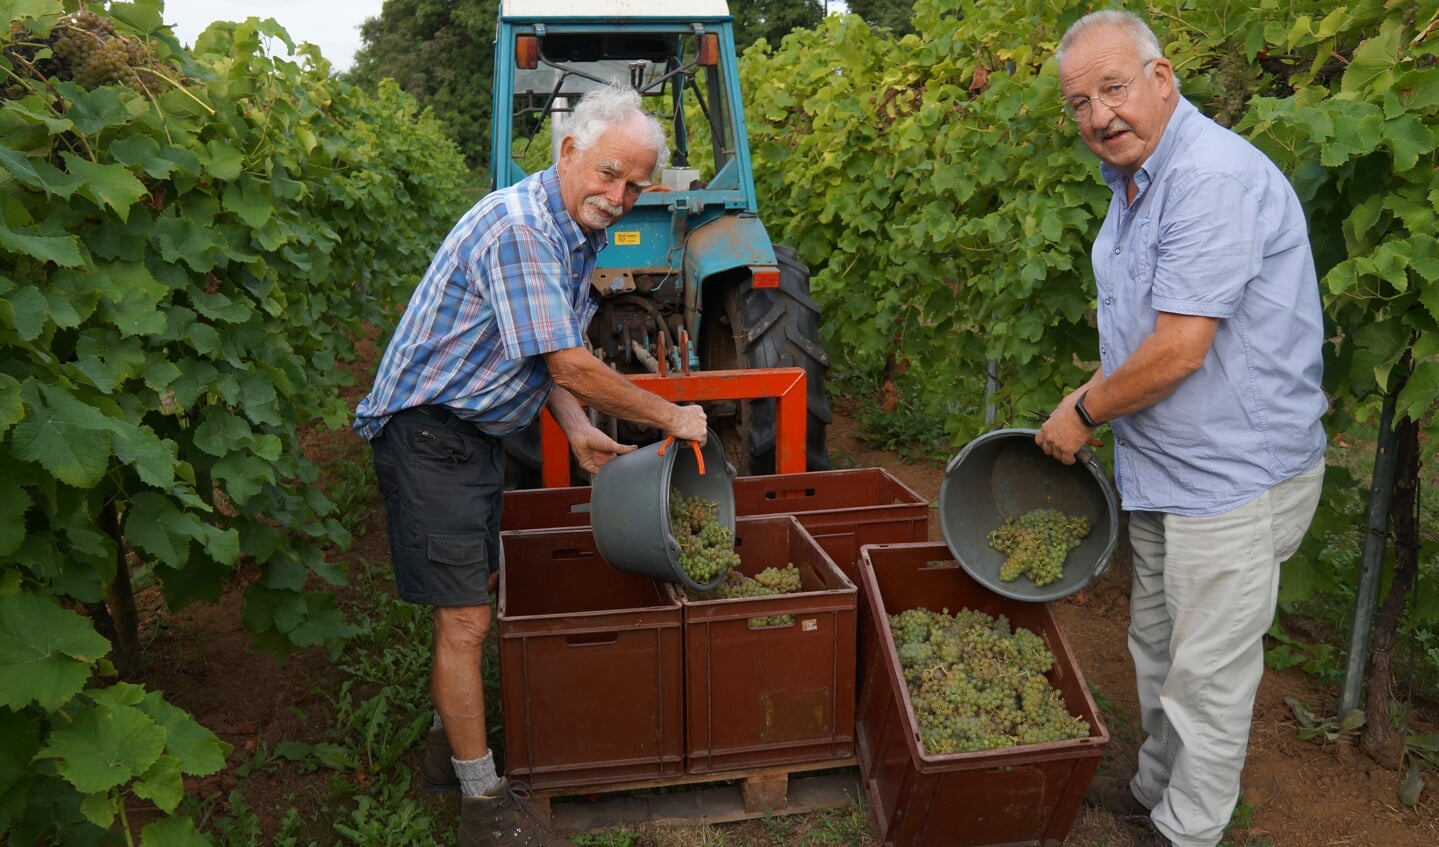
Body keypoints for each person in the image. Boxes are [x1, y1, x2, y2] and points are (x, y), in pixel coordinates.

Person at [353, 84, 708, 847]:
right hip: (427, 433)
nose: (619, 197)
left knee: (470, 598)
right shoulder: (521, 229)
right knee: (466, 617)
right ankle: (483, 807)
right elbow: (570, 361)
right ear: (568, 151)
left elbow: (537, 355)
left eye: (636, 186)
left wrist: (577, 429)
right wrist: (672, 414)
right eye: (609, 174)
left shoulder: (568, 231)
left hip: (469, 433)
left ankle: (448, 756)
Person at [1036, 11, 1327, 847]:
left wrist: (1084, 412)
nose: (1097, 116)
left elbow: (1177, 350)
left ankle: (1186, 832)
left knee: (1205, 675)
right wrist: (1091, 395)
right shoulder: (1135, 186)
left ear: (1162, 78)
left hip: (1234, 476)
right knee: (1158, 647)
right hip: (1166, 465)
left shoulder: (1208, 180)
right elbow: (1141, 335)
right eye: (1078, 103)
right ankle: (1155, 789)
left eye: (1113, 88)